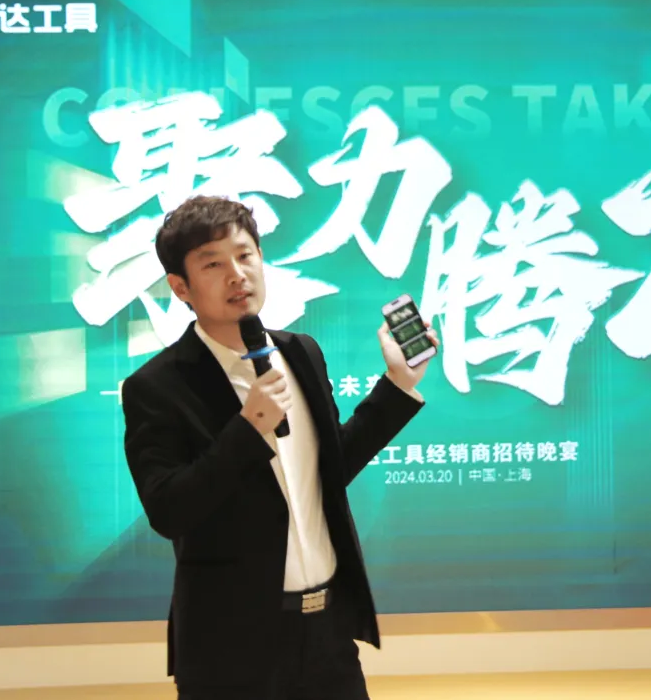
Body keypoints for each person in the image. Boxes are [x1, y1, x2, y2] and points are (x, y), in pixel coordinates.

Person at [121, 196, 437, 699]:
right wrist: (248, 430)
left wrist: (398, 383)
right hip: (231, 647)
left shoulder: (300, 352)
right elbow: (169, 510)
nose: (236, 275)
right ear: (180, 287)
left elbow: (330, 468)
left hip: (328, 635)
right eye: (213, 264)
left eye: (245, 255)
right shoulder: (156, 386)